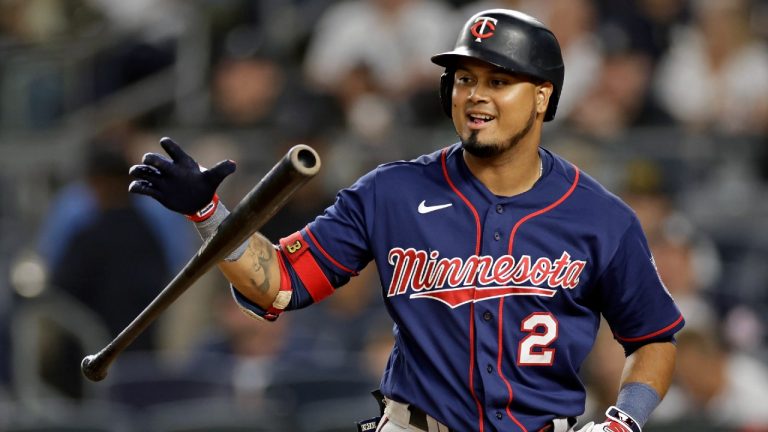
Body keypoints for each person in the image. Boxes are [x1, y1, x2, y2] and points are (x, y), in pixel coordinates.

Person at [128, 9, 685, 432]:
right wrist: (209, 214)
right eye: (464, 79)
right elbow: (278, 284)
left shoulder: (600, 216)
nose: (475, 96)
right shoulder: (391, 191)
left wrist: (624, 420)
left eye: (498, 81)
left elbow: (654, 339)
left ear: (542, 97)